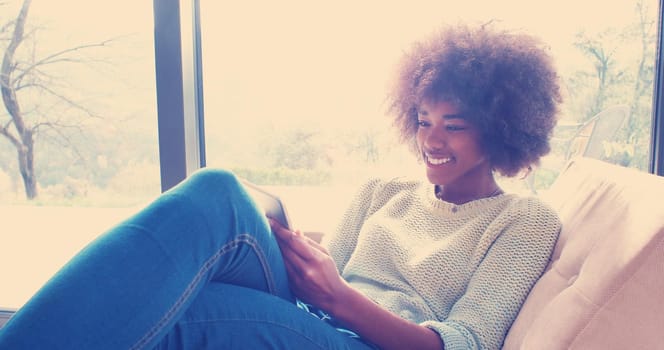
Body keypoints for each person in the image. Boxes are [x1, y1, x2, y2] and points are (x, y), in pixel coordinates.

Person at [0, 23, 562, 350]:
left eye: (454, 125)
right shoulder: (381, 190)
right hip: (315, 320)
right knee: (216, 195)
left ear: (502, 130)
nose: (431, 140)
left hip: (367, 345)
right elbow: (318, 282)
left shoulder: (524, 221)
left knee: (188, 311)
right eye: (423, 120)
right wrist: (302, 259)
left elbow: (465, 343)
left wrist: (338, 295)